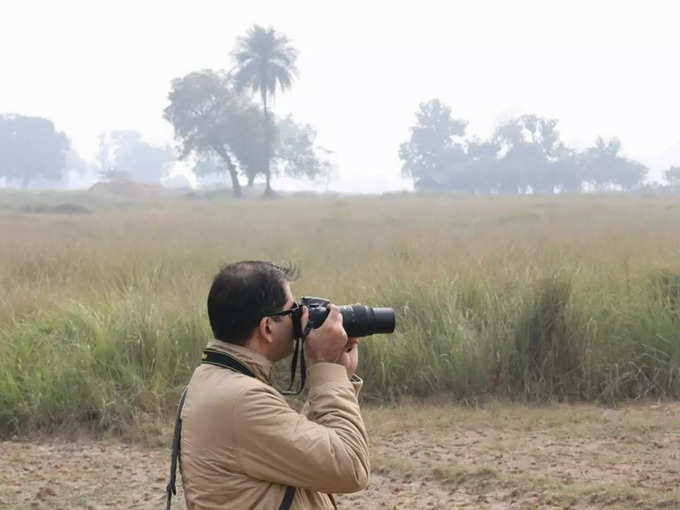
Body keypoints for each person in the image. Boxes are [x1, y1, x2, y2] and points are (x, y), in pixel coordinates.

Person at [178, 260, 370, 509]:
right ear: (267, 327)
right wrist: (327, 368)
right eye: (292, 312)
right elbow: (350, 466)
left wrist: (338, 374)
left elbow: (303, 452)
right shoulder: (241, 401)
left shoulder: (215, 381)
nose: (301, 319)